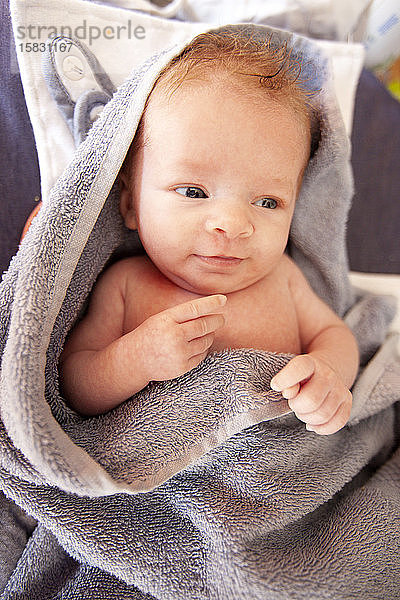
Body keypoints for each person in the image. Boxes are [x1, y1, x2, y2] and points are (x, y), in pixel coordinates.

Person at [59, 30, 359, 434]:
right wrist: (133, 360)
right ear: (130, 204)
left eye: (268, 202)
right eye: (194, 192)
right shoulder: (125, 285)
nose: (233, 225)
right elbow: (75, 386)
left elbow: (334, 333)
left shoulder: (284, 278)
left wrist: (327, 373)